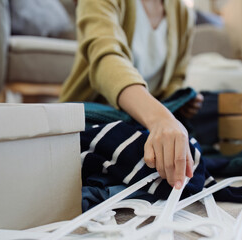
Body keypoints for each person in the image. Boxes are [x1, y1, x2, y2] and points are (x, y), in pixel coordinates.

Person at [60, 0, 203, 190]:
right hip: (92, 116)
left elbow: (175, 78)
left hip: (139, 120)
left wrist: (180, 100)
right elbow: (106, 58)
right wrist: (160, 118)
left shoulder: (183, 13)